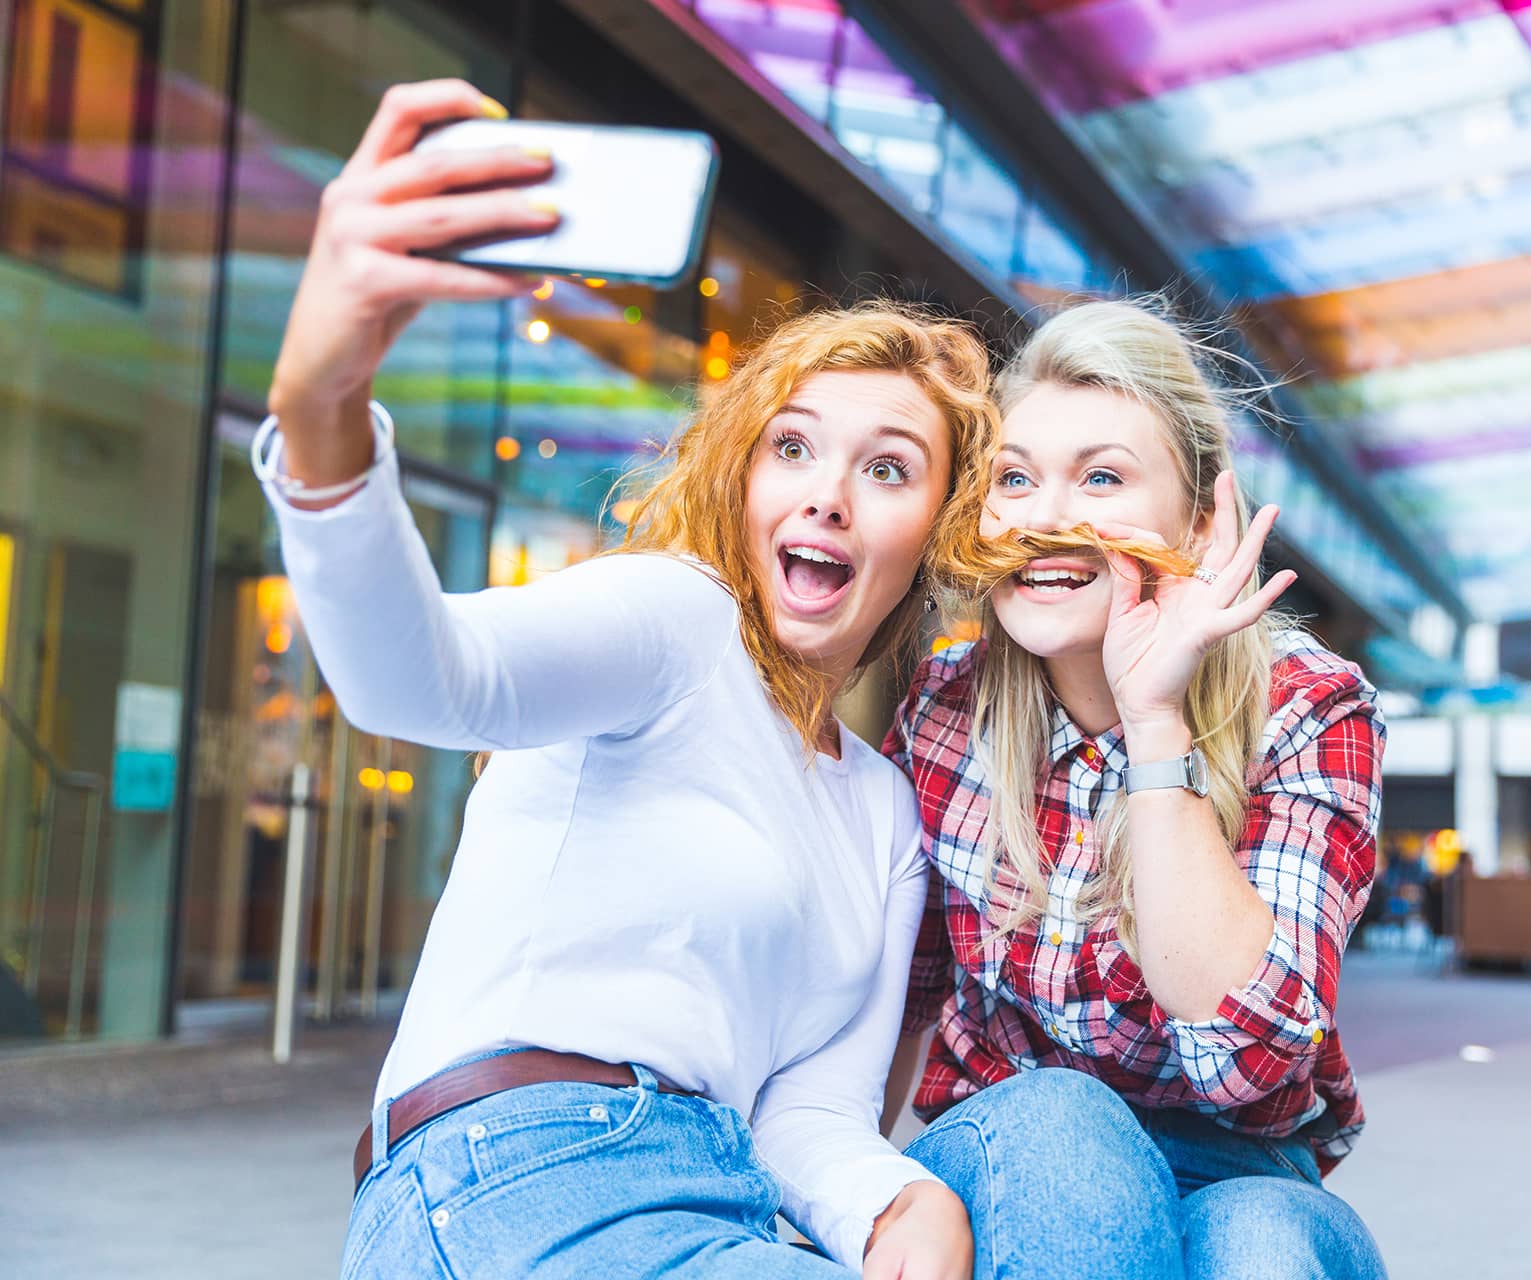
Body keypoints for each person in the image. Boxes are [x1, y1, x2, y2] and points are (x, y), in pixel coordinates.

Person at [261, 79, 995, 1279]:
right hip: (520, 1168)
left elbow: (808, 1118)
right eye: (794, 447)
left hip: (718, 1195)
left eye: (889, 467)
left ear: (937, 534)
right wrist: (322, 407)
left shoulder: (884, 814)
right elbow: (424, 678)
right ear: (741, 480)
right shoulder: (676, 619)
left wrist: (898, 1205)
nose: (826, 492)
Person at [886, 300, 1389, 1279]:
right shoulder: (945, 705)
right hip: (1012, 1153)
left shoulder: (1307, 708)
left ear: (1202, 520)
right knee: (1070, 1127)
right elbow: (905, 997)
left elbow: (1247, 1051)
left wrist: (1155, 724)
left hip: (1242, 1163)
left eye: (1103, 477)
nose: (1045, 518)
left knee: (1267, 1252)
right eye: (1014, 479)